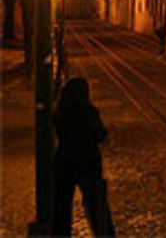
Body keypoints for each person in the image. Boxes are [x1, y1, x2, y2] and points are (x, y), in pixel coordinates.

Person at [52, 77, 115, 237]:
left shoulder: (60, 112)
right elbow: (100, 135)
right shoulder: (89, 112)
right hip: (88, 163)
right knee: (96, 205)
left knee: (62, 206)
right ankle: (105, 234)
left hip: (64, 163)